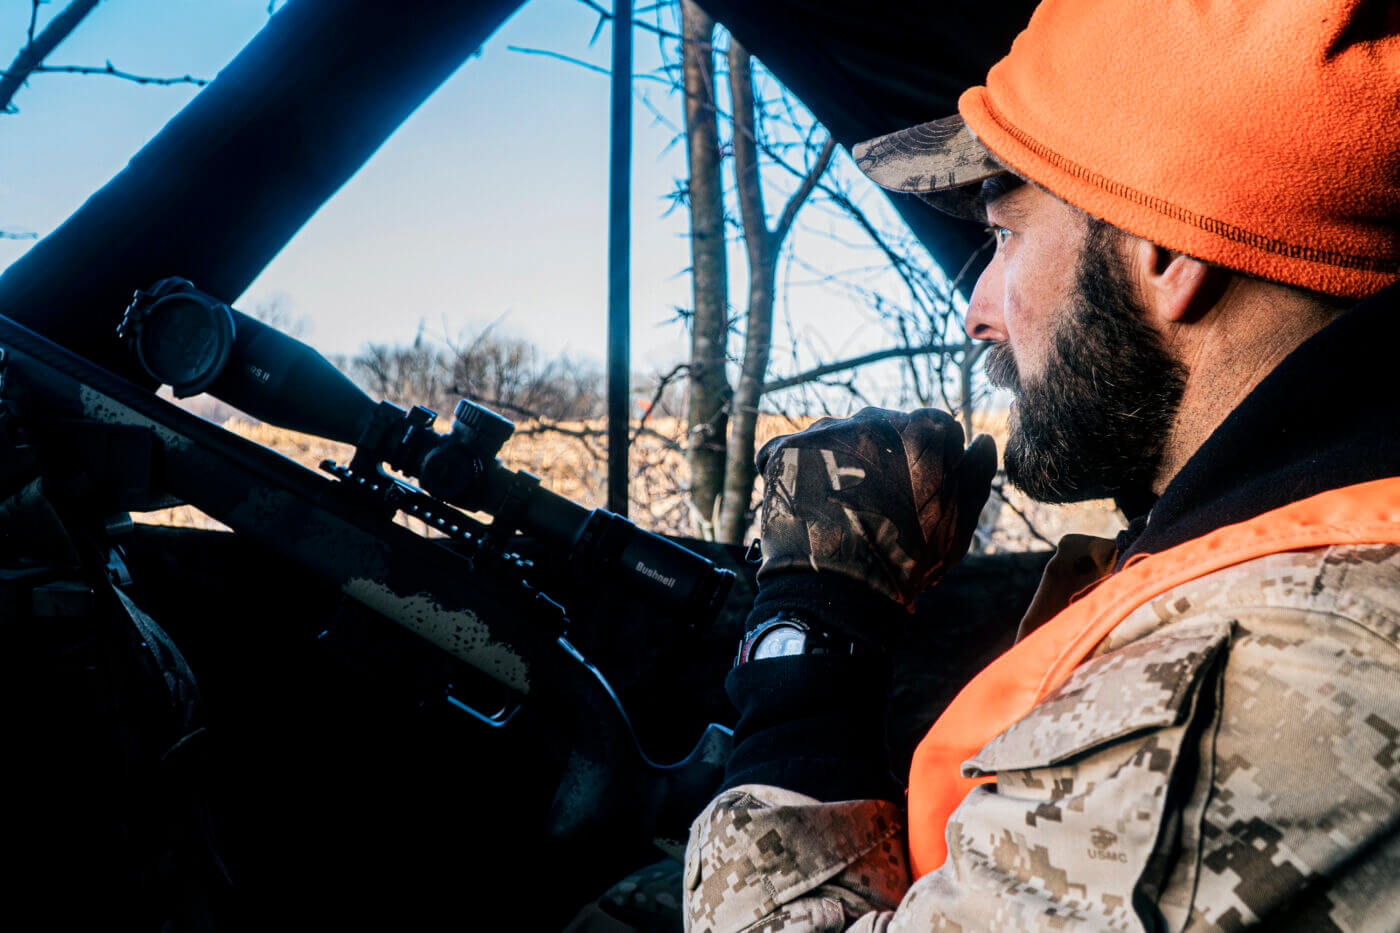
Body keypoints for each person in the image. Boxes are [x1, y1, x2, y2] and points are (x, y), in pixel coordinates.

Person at [684, 0, 1400, 929]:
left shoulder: (1260, 683)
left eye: (1005, 236)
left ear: (1169, 249)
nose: (978, 307)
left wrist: (817, 625)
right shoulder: (1308, 531)